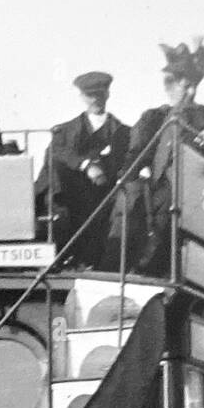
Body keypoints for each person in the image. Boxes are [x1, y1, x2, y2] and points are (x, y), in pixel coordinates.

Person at [103, 39, 204, 273]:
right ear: (172, 86)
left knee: (165, 217)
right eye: (184, 86)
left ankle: (147, 267)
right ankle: (117, 264)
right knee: (132, 204)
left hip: (193, 187)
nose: (190, 92)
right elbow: (139, 151)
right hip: (161, 182)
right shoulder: (155, 116)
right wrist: (128, 178)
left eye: (193, 86)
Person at [34, 71, 133, 268]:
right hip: (69, 197)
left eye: (100, 94)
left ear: (107, 94)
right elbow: (56, 154)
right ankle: (60, 249)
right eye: (90, 95)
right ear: (82, 97)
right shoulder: (63, 131)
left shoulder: (124, 133)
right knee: (55, 175)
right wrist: (86, 165)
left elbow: (128, 162)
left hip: (103, 197)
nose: (95, 100)